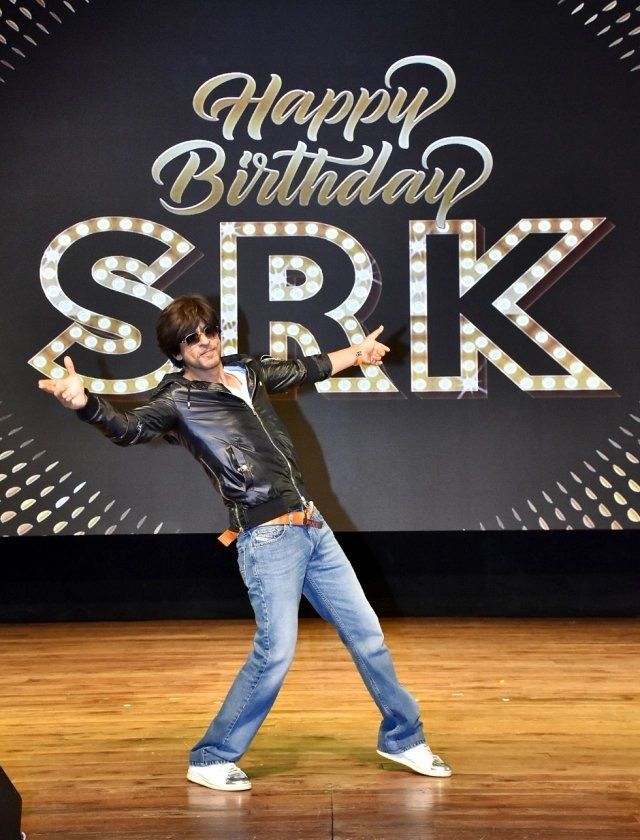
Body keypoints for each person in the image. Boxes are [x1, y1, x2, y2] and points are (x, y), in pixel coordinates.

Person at [38, 294, 451, 791]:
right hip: (267, 536)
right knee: (275, 651)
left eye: (208, 331)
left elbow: (309, 367)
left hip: (313, 526)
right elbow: (128, 429)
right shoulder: (177, 400)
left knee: (368, 635)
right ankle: (211, 756)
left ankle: (403, 738)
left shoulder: (249, 372)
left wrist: (357, 353)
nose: (205, 343)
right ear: (177, 351)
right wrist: (83, 403)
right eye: (191, 339)